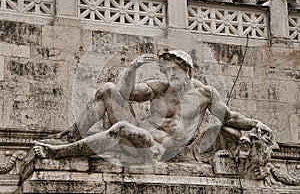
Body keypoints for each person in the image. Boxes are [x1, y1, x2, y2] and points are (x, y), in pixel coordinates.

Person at [33, 50, 272, 165]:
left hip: (156, 150)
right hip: (141, 132)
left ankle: (59, 152)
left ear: (187, 70)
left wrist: (255, 124)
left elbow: (229, 117)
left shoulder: (205, 94)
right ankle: (66, 138)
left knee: (123, 128)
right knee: (107, 89)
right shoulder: (160, 87)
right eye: (166, 71)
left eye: (174, 71)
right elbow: (126, 93)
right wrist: (133, 68)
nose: (169, 76)